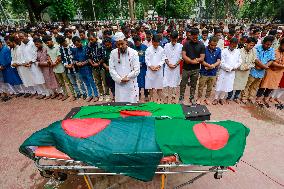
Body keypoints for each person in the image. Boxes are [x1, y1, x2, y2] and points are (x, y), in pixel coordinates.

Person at [241, 36, 275, 104]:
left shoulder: (271, 50)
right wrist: (263, 66)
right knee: (248, 84)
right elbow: (255, 59)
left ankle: (251, 97)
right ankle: (244, 97)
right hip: (253, 70)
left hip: (262, 72)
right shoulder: (256, 48)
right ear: (263, 42)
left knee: (255, 86)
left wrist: (265, 66)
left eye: (270, 44)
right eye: (267, 44)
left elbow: (271, 59)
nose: (268, 46)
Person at [109, 32, 140, 103]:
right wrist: (119, 79)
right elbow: (111, 69)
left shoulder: (134, 53)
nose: (120, 46)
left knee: (132, 104)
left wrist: (128, 77)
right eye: (118, 44)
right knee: (120, 105)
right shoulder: (113, 53)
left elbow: (137, 69)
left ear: (126, 41)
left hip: (131, 83)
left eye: (121, 44)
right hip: (119, 84)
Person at [43, 35, 75, 101]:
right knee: (61, 83)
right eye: (46, 43)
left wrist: (54, 63)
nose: (47, 44)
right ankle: (65, 94)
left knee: (68, 82)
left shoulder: (58, 47)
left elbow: (60, 57)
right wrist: (50, 62)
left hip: (62, 68)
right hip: (55, 69)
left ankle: (73, 95)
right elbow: (48, 56)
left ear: (51, 41)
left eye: (48, 42)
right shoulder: (47, 48)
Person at [179, 28, 205, 104]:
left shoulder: (201, 45)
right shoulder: (186, 44)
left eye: (196, 37)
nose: (195, 39)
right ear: (190, 36)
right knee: (183, 84)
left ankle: (192, 97)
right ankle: (181, 97)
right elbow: (183, 56)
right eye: (193, 37)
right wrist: (191, 61)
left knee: (193, 84)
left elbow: (202, 57)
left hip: (196, 69)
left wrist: (196, 60)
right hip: (186, 68)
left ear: (198, 35)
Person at [57, 35, 87, 100]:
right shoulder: (60, 49)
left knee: (80, 81)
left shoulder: (73, 47)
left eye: (63, 43)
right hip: (68, 69)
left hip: (76, 68)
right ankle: (78, 93)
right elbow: (62, 59)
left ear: (65, 40)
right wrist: (66, 65)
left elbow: (76, 56)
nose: (63, 44)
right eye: (61, 44)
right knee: (73, 83)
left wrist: (73, 63)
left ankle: (84, 93)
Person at [213, 38, 242, 105]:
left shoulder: (237, 51)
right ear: (229, 43)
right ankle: (216, 98)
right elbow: (221, 62)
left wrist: (235, 67)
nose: (233, 47)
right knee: (219, 85)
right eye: (232, 45)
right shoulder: (224, 51)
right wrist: (229, 68)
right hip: (223, 71)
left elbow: (240, 61)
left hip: (232, 73)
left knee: (227, 86)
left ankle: (221, 98)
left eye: (235, 46)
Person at [16, 32, 46, 98]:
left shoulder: (32, 43)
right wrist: (24, 62)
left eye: (22, 37)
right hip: (28, 65)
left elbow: (36, 54)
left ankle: (45, 92)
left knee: (39, 78)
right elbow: (23, 55)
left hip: (34, 64)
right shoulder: (22, 45)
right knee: (33, 79)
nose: (22, 39)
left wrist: (31, 61)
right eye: (20, 38)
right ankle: (40, 92)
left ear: (26, 36)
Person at [229, 37, 257, 104]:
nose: (251, 47)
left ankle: (236, 97)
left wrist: (249, 67)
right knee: (233, 84)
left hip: (246, 72)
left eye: (253, 45)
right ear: (246, 43)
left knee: (242, 84)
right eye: (250, 45)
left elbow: (254, 61)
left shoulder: (254, 51)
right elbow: (235, 62)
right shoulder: (238, 51)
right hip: (238, 71)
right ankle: (229, 97)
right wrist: (242, 67)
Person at [258, 38, 284, 106]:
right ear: (281, 44)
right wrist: (281, 66)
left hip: (279, 72)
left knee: (272, 86)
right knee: (264, 85)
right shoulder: (274, 51)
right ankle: (258, 98)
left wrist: (280, 66)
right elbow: (271, 62)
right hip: (271, 71)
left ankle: (266, 98)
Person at [72, 36, 99, 102]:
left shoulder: (86, 48)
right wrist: (76, 63)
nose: (77, 46)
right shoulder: (75, 50)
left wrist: (85, 62)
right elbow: (74, 59)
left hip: (87, 68)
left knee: (91, 81)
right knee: (86, 83)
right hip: (80, 69)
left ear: (80, 42)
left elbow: (90, 57)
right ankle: (90, 95)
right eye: (75, 45)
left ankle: (96, 95)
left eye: (78, 44)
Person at [197, 36, 221, 105]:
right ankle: (199, 98)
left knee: (210, 87)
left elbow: (219, 60)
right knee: (201, 86)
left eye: (215, 45)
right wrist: (208, 65)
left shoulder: (218, 50)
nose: (213, 46)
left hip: (213, 72)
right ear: (209, 43)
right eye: (211, 45)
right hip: (204, 72)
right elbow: (201, 60)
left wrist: (213, 65)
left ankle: (207, 98)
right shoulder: (204, 49)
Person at [163, 31, 183, 104]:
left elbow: (181, 57)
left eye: (175, 40)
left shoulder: (180, 46)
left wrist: (175, 65)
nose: (174, 41)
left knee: (175, 82)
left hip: (176, 68)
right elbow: (164, 56)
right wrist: (168, 64)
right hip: (167, 68)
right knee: (166, 82)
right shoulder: (166, 45)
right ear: (170, 38)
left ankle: (173, 98)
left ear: (177, 38)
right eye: (172, 40)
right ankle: (165, 98)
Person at [145, 35, 165, 103]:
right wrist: (151, 66)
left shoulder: (162, 50)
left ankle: (160, 100)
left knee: (159, 86)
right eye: (155, 44)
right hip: (150, 71)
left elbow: (163, 59)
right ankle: (151, 99)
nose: (156, 46)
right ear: (152, 42)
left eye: (157, 44)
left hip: (159, 71)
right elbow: (146, 59)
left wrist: (159, 66)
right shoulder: (148, 49)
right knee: (151, 87)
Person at [87, 33, 107, 101]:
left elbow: (104, 56)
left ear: (96, 38)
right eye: (89, 40)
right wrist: (92, 64)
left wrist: (98, 63)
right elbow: (88, 56)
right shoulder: (89, 46)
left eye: (92, 39)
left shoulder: (100, 45)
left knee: (105, 81)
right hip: (94, 67)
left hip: (101, 66)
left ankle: (106, 94)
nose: (91, 41)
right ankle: (101, 94)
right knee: (98, 82)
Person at [133, 35, 149, 102]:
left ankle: (146, 95)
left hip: (144, 68)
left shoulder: (145, 47)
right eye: (135, 43)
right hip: (136, 69)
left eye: (138, 42)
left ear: (140, 41)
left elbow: (147, 57)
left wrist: (142, 62)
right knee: (137, 82)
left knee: (145, 81)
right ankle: (138, 94)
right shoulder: (133, 48)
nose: (137, 44)